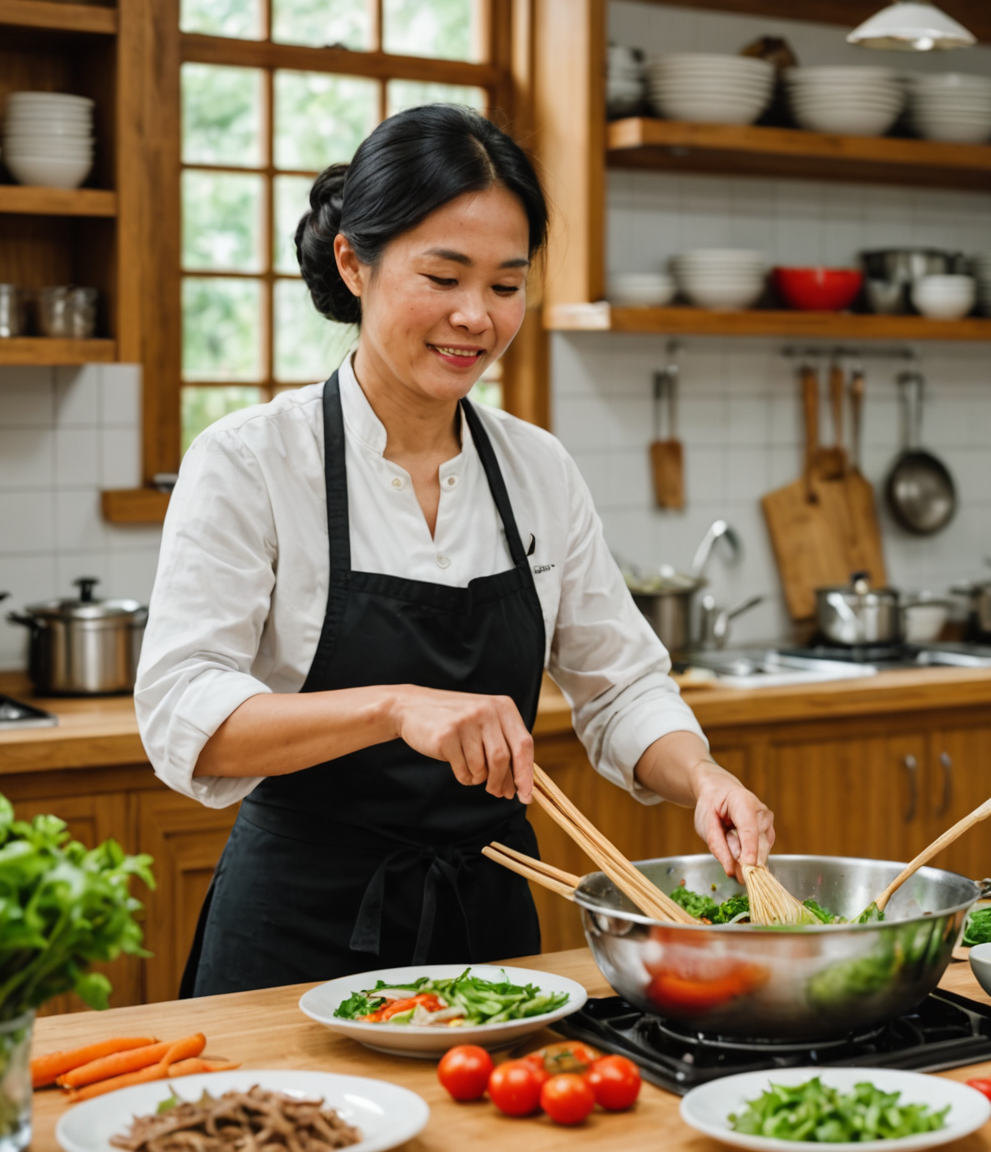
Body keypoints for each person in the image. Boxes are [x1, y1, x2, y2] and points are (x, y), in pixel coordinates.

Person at [136, 105, 776, 996]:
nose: (475, 317)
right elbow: (184, 715)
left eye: (506, 287)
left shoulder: (536, 468)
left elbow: (619, 684)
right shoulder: (251, 460)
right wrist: (394, 706)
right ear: (353, 263)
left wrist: (700, 778)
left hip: (492, 936)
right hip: (295, 939)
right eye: (442, 276)